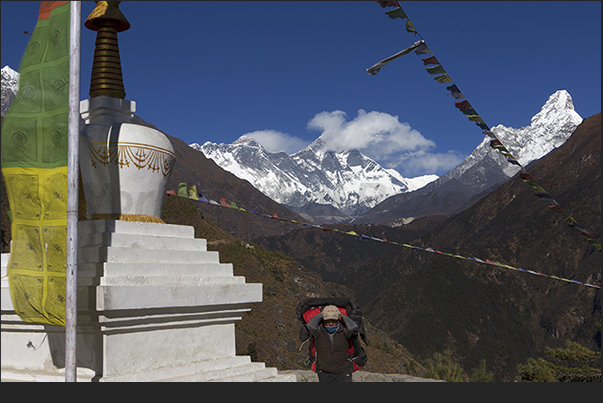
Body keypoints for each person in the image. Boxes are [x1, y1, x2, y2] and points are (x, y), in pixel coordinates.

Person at [301, 305, 359, 382]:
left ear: (338, 320)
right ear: (323, 320)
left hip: (343, 371)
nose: (331, 323)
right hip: (324, 372)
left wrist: (342, 316)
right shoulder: (319, 331)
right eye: (328, 321)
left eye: (334, 321)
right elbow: (310, 326)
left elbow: (353, 327)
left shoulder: (344, 331)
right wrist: (321, 314)